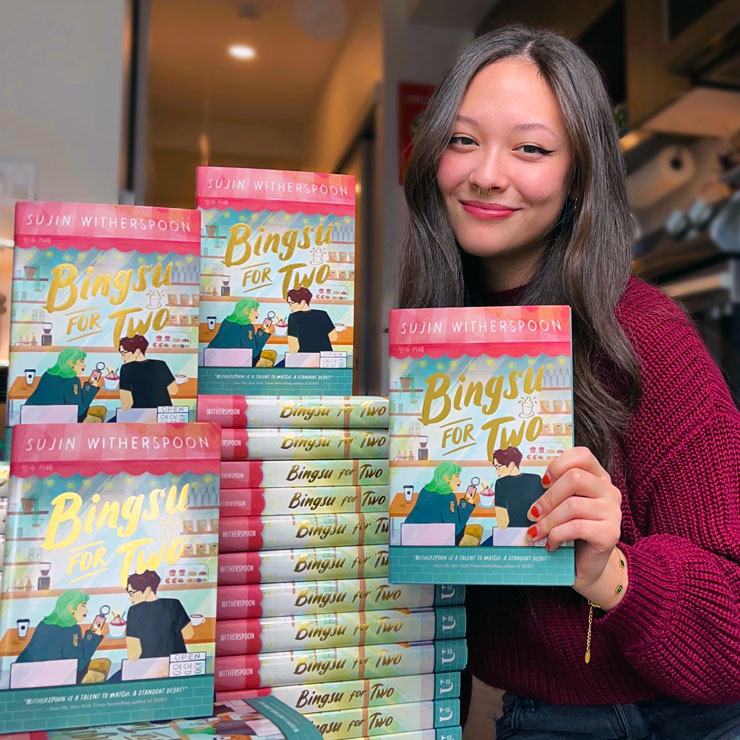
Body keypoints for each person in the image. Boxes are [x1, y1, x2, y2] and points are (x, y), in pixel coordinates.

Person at [399, 23, 740, 739]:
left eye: (530, 148)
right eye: (463, 140)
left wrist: (613, 570)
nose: (487, 172)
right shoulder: (431, 345)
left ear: (579, 175)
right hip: (531, 718)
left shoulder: (646, 338)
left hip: (677, 721)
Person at [15, 590, 110, 684]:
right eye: (83, 606)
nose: (86, 610)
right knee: (104, 665)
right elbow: (78, 664)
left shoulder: (44, 623)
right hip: (55, 683)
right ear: (71, 608)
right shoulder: (72, 629)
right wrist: (93, 636)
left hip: (25, 678)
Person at [124, 570, 193, 660]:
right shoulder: (174, 603)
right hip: (176, 664)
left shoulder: (134, 611)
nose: (130, 598)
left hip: (149, 667)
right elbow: (189, 634)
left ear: (147, 590)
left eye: (132, 593)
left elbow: (133, 656)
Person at [403, 462, 476, 545]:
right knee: (475, 535)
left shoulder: (425, 490)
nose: (460, 480)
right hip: (437, 542)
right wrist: (467, 504)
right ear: (446, 478)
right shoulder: (448, 497)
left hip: (412, 539)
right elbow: (455, 529)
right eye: (457, 476)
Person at [25, 347, 101, 422]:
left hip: (33, 418)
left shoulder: (48, 374)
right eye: (81, 361)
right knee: (100, 412)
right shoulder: (72, 380)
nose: (84, 365)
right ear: (71, 363)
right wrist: (91, 387)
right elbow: (79, 410)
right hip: (58, 423)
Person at [489, 446, 546, 546]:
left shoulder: (501, 483)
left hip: (512, 538)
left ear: (511, 465)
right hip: (536, 538)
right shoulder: (536, 479)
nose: (496, 472)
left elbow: (502, 524)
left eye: (498, 467)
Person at [206, 297, 273, 365]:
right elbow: (252, 353)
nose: (258, 314)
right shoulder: (247, 327)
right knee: (271, 355)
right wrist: (263, 333)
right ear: (246, 311)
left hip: (216, 361)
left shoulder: (227, 321)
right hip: (238, 364)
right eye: (255, 310)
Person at [118, 334, 178, 409]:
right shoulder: (160, 364)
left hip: (139, 416)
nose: (122, 357)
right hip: (162, 415)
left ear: (137, 351)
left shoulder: (126, 368)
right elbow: (174, 390)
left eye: (124, 353)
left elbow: (126, 405)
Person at [286, 287, 338, 354]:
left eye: (291, 303)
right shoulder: (322, 314)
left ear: (303, 302)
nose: (290, 307)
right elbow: (334, 337)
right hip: (324, 358)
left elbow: (293, 350)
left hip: (305, 360)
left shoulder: (293, 317)